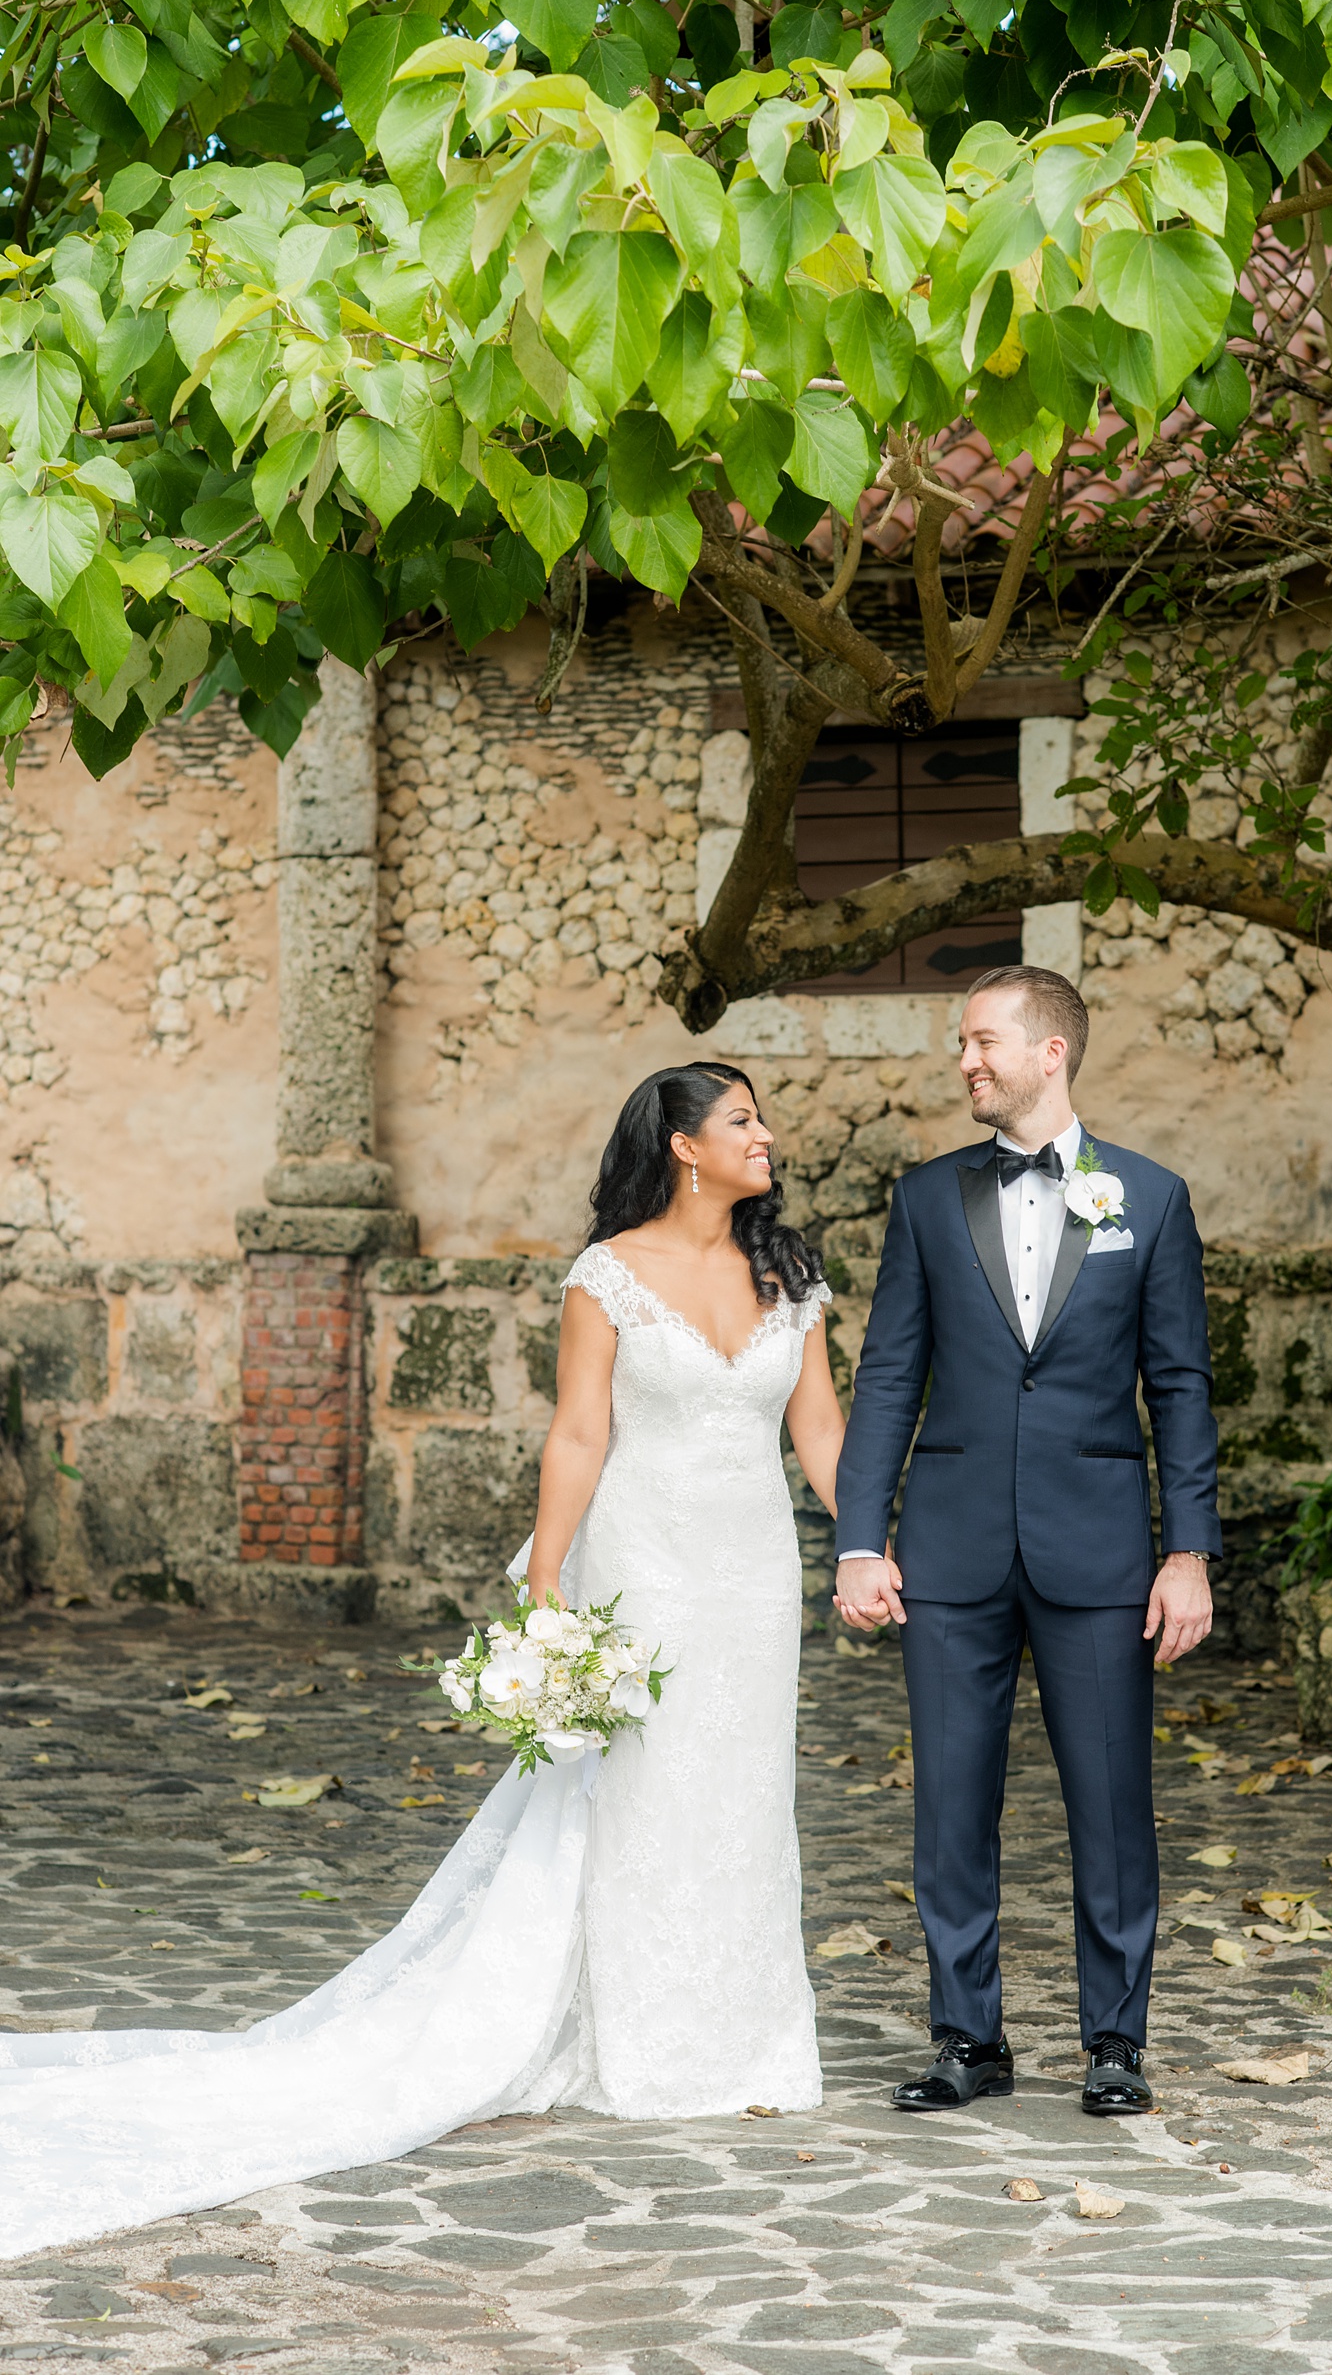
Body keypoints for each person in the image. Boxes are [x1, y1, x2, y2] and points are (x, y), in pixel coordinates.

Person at [0, 1062, 842, 2259]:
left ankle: (743, 2043)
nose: (767, 1136)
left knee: (744, 1793)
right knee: (644, 1793)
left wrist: (866, 1540)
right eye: (743, 1121)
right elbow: (580, 1430)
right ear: (681, 1147)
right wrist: (548, 1581)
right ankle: (635, 2042)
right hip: (644, 1567)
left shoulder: (790, 1272)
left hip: (753, 1577)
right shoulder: (604, 1277)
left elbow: (817, 1425)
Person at [833, 964, 1218, 2118]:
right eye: (962, 1042)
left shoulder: (1147, 1199)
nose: (966, 1060)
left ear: (1050, 1052)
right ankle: (968, 2039)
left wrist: (1186, 1549)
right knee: (950, 1807)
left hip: (1097, 1551)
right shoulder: (924, 1199)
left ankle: (1114, 2043)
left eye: (983, 1040)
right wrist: (860, 1537)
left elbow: (1181, 1387)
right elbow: (889, 1374)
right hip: (947, 1553)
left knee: (1110, 1805)